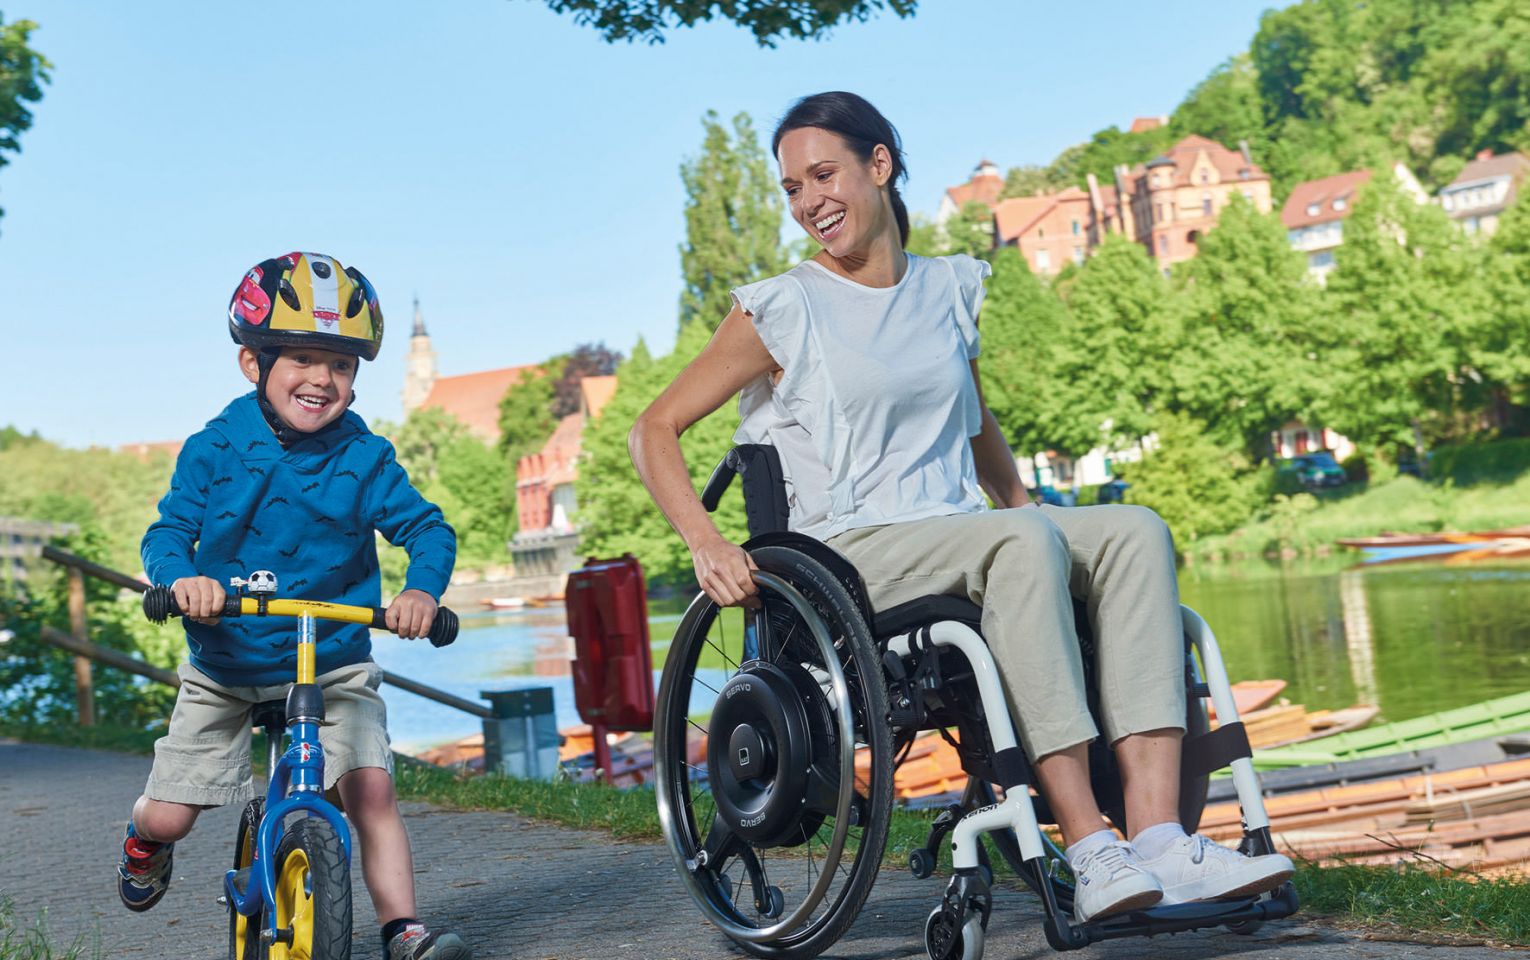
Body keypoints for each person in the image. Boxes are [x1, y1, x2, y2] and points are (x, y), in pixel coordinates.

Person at [628, 92, 1294, 924]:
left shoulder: (947, 288)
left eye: (823, 174)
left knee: (1133, 531)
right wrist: (706, 541)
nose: (808, 203)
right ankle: (1089, 846)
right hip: (848, 550)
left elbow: (978, 427)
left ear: (881, 166)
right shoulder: (784, 307)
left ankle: (1157, 838)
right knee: (1017, 546)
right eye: (793, 188)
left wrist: (1034, 514)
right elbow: (652, 428)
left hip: (962, 533)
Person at [117, 252, 472, 960]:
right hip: (227, 659)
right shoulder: (215, 448)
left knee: (370, 790)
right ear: (254, 364)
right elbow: (168, 533)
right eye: (304, 358)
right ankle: (142, 840)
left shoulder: (365, 458)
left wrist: (420, 592)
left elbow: (427, 529)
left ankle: (404, 930)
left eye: (341, 365)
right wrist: (184, 580)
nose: (322, 380)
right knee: (172, 812)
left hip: (331, 659)